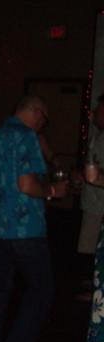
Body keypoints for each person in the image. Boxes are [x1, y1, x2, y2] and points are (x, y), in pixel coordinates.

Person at [0, 96, 67, 342]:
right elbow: (27, 184)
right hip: (24, 228)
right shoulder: (27, 137)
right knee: (41, 291)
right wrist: (52, 191)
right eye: (44, 118)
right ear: (36, 112)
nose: (43, 124)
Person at [76, 95, 104, 301]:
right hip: (92, 201)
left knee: (95, 246)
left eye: (99, 109)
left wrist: (95, 176)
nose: (95, 113)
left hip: (100, 203)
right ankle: (92, 287)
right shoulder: (96, 135)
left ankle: (95, 290)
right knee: (88, 245)